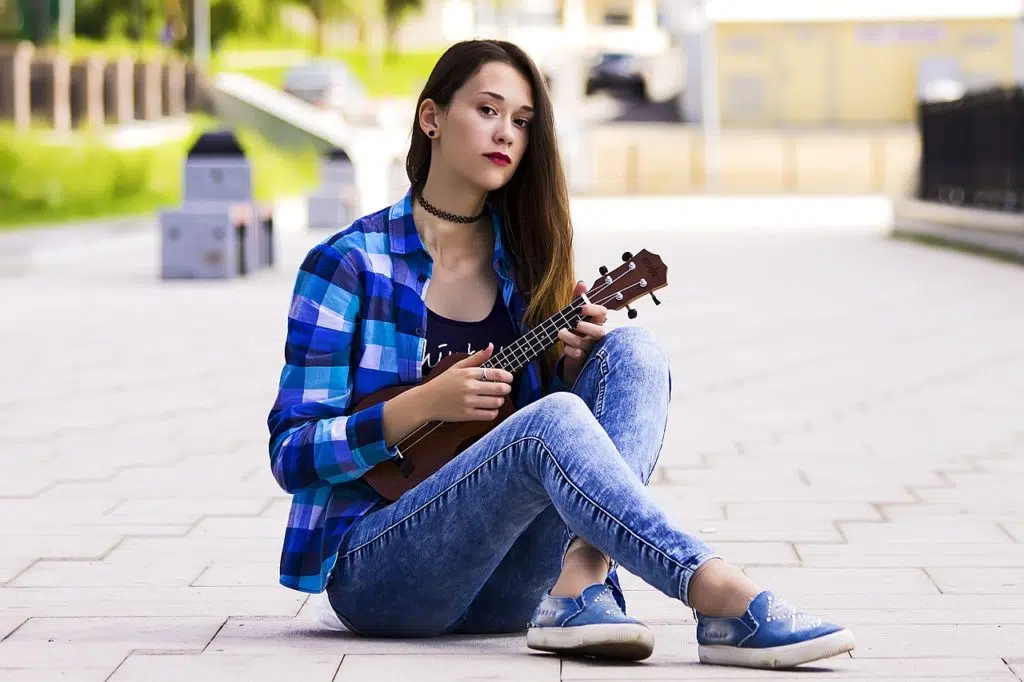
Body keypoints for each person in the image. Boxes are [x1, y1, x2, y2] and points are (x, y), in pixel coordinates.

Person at [266, 38, 855, 669]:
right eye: (488, 110)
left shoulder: (526, 262)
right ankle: (716, 592)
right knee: (549, 421)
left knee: (633, 351)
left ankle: (580, 581)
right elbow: (291, 454)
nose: (507, 133)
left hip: (511, 583)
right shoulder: (350, 265)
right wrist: (423, 405)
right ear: (431, 117)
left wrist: (571, 368)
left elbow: (525, 449)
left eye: (523, 122)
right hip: (385, 574)